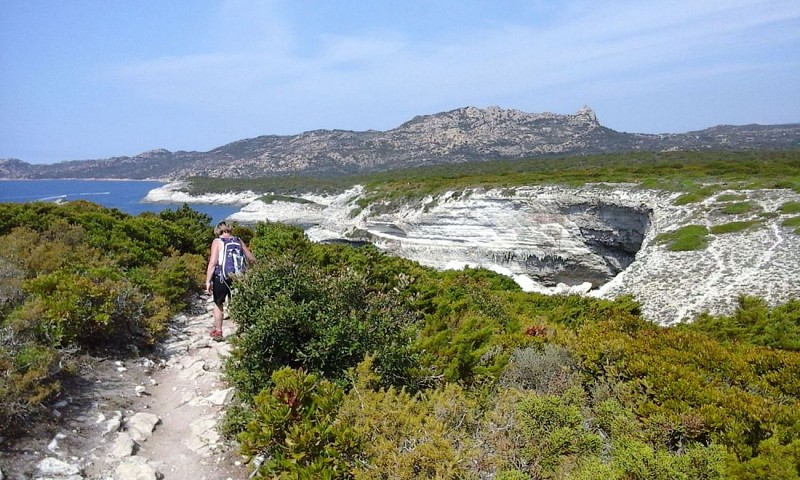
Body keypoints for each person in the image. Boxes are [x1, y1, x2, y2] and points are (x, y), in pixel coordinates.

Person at [204, 221, 255, 341]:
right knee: (238, 303)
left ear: (218, 230)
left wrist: (207, 281)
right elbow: (251, 258)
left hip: (221, 278)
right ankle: (243, 331)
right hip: (238, 277)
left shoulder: (217, 242)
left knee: (218, 303)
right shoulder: (238, 240)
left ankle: (218, 331)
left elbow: (213, 263)